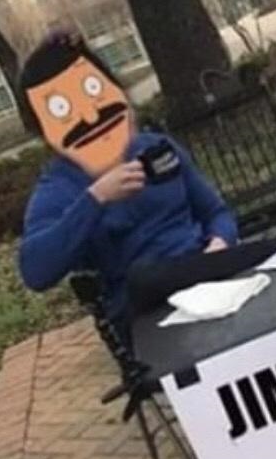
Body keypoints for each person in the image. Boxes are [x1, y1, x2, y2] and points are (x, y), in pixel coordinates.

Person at [17, 31, 238, 333]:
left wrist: (220, 242)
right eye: (61, 109)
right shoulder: (60, 188)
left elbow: (216, 213)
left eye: (93, 89)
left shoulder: (157, 148)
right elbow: (35, 272)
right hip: (148, 310)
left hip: (207, 272)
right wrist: (96, 198)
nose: (91, 115)